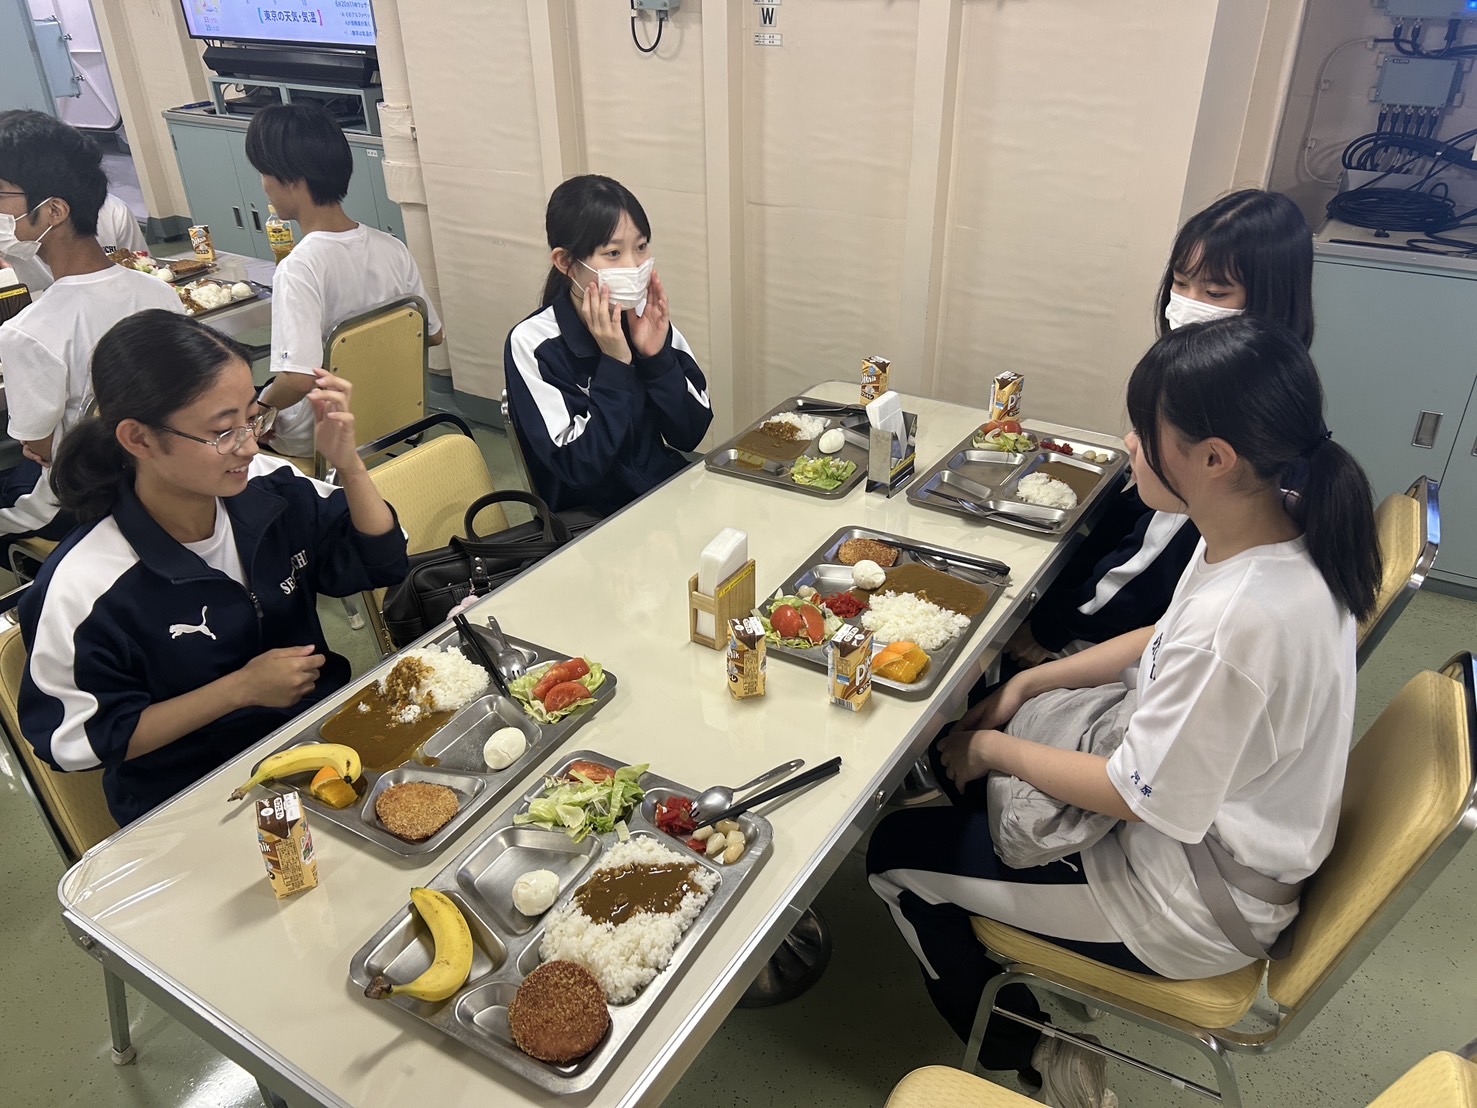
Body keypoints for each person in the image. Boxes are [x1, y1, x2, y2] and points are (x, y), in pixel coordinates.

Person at [868, 316, 1381, 1107]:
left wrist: (992, 750)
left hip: (1188, 904)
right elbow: (1161, 634)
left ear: (1214, 458)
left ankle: (1040, 1057)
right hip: (1206, 837)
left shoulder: (1241, 625)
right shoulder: (1270, 527)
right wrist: (1027, 686)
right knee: (978, 758)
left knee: (895, 856)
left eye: (1145, 431)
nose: (1128, 444)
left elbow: (1131, 794)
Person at [18, 310, 409, 826]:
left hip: (319, 741)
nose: (249, 445)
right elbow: (79, 738)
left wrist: (349, 462)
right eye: (223, 431)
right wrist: (239, 690)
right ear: (139, 439)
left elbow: (382, 559)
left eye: (253, 416)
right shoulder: (84, 586)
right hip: (192, 798)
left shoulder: (266, 486)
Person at [1007, 189, 1315, 667]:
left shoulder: (1224, 412)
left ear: (1273, 297)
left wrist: (1051, 629)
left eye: (1215, 293)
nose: (1188, 304)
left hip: (1130, 635)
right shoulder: (1279, 376)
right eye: (1181, 282)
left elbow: (1151, 559)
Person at [0, 110, 183, 548]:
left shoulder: (28, 331)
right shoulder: (160, 294)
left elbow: (40, 447)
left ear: (54, 211)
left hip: (72, 499)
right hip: (155, 477)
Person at [503, 174, 712, 516]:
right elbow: (578, 466)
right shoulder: (533, 343)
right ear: (565, 262)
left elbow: (690, 434)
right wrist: (615, 365)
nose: (633, 266)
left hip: (662, 496)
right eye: (613, 253)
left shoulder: (643, 318)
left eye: (641, 247)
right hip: (591, 520)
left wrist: (656, 358)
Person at [244, 102, 443, 457]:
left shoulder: (299, 267)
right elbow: (433, 334)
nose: (263, 186)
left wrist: (258, 411)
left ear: (292, 180)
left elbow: (298, 380)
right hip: (392, 419)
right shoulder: (391, 247)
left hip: (322, 435)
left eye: (264, 173)